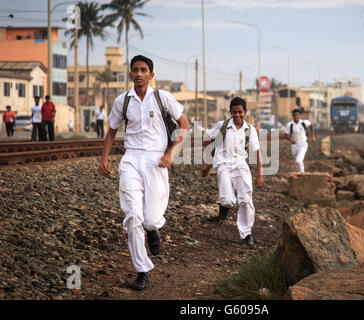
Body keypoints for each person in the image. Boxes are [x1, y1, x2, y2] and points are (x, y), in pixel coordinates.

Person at [98, 55, 189, 291]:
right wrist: (104, 159)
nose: (139, 74)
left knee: (149, 218)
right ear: (130, 74)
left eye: (143, 70)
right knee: (132, 216)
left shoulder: (162, 98)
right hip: (131, 160)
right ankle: (141, 270)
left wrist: (171, 152)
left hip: (156, 160)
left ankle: (153, 229)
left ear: (151, 74)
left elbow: (185, 125)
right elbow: (111, 132)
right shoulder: (122, 101)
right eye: (135, 70)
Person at [203, 97, 264, 247]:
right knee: (228, 200)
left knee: (245, 199)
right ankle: (224, 207)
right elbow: (208, 140)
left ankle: (246, 234)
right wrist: (208, 162)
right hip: (223, 165)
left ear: (245, 112)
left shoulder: (250, 130)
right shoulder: (222, 126)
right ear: (230, 112)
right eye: (234, 112)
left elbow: (257, 152)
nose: (237, 115)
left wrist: (260, 174)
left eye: (240, 112)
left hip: (240, 165)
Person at [284, 108, 315, 172]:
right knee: (297, 162)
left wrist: (312, 136)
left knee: (299, 160)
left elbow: (311, 125)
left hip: (303, 144)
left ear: (300, 115)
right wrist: (291, 140)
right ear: (292, 116)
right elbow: (286, 135)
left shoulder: (304, 123)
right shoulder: (289, 125)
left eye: (297, 115)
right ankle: (300, 174)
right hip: (294, 145)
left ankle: (302, 175)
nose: (296, 116)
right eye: (294, 115)